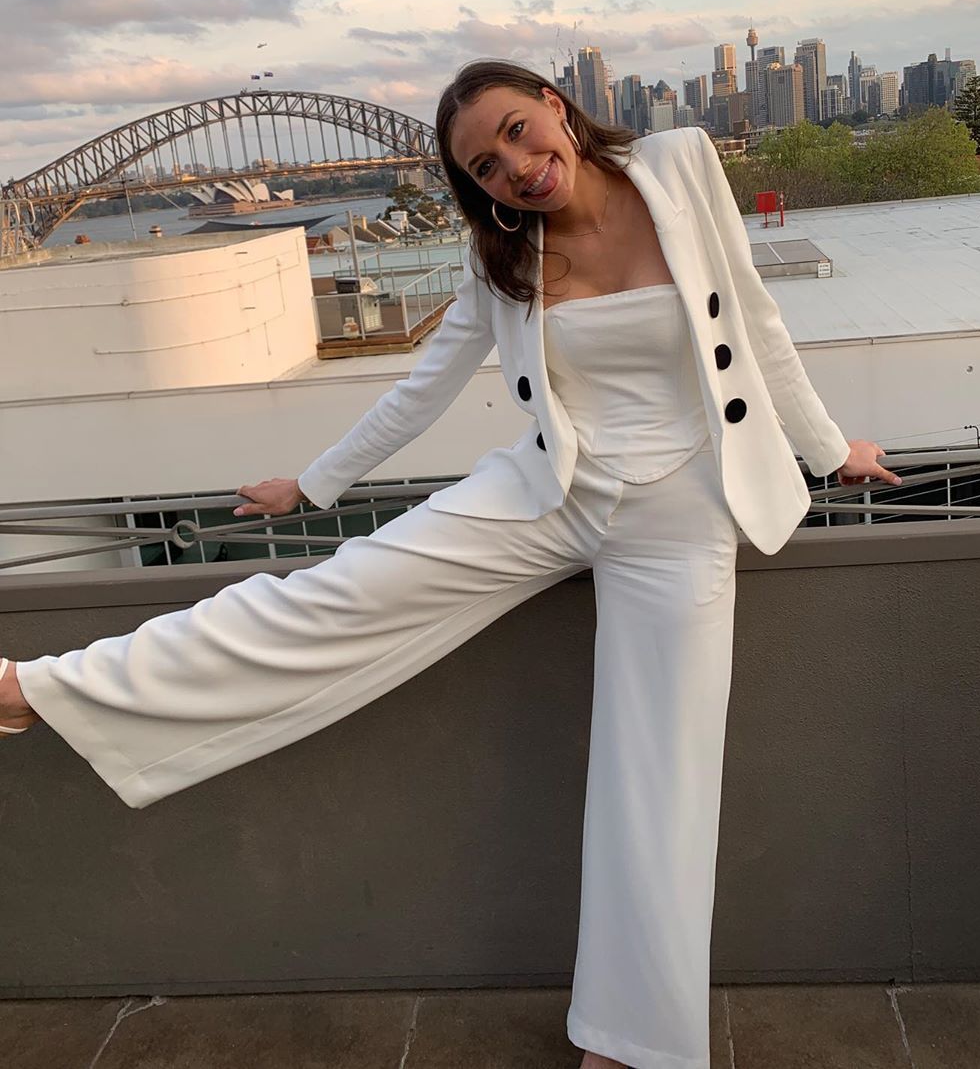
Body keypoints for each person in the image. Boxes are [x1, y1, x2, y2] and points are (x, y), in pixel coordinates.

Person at [0, 60, 900, 1069]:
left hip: (683, 515)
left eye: (517, 131)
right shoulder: (502, 257)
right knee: (333, 597)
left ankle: (631, 1043)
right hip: (552, 490)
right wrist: (313, 484)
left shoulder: (682, 166)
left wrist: (831, 450)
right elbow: (421, 390)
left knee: (663, 777)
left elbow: (758, 325)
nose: (517, 166)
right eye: (486, 166)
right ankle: (37, 691)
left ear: (555, 106)